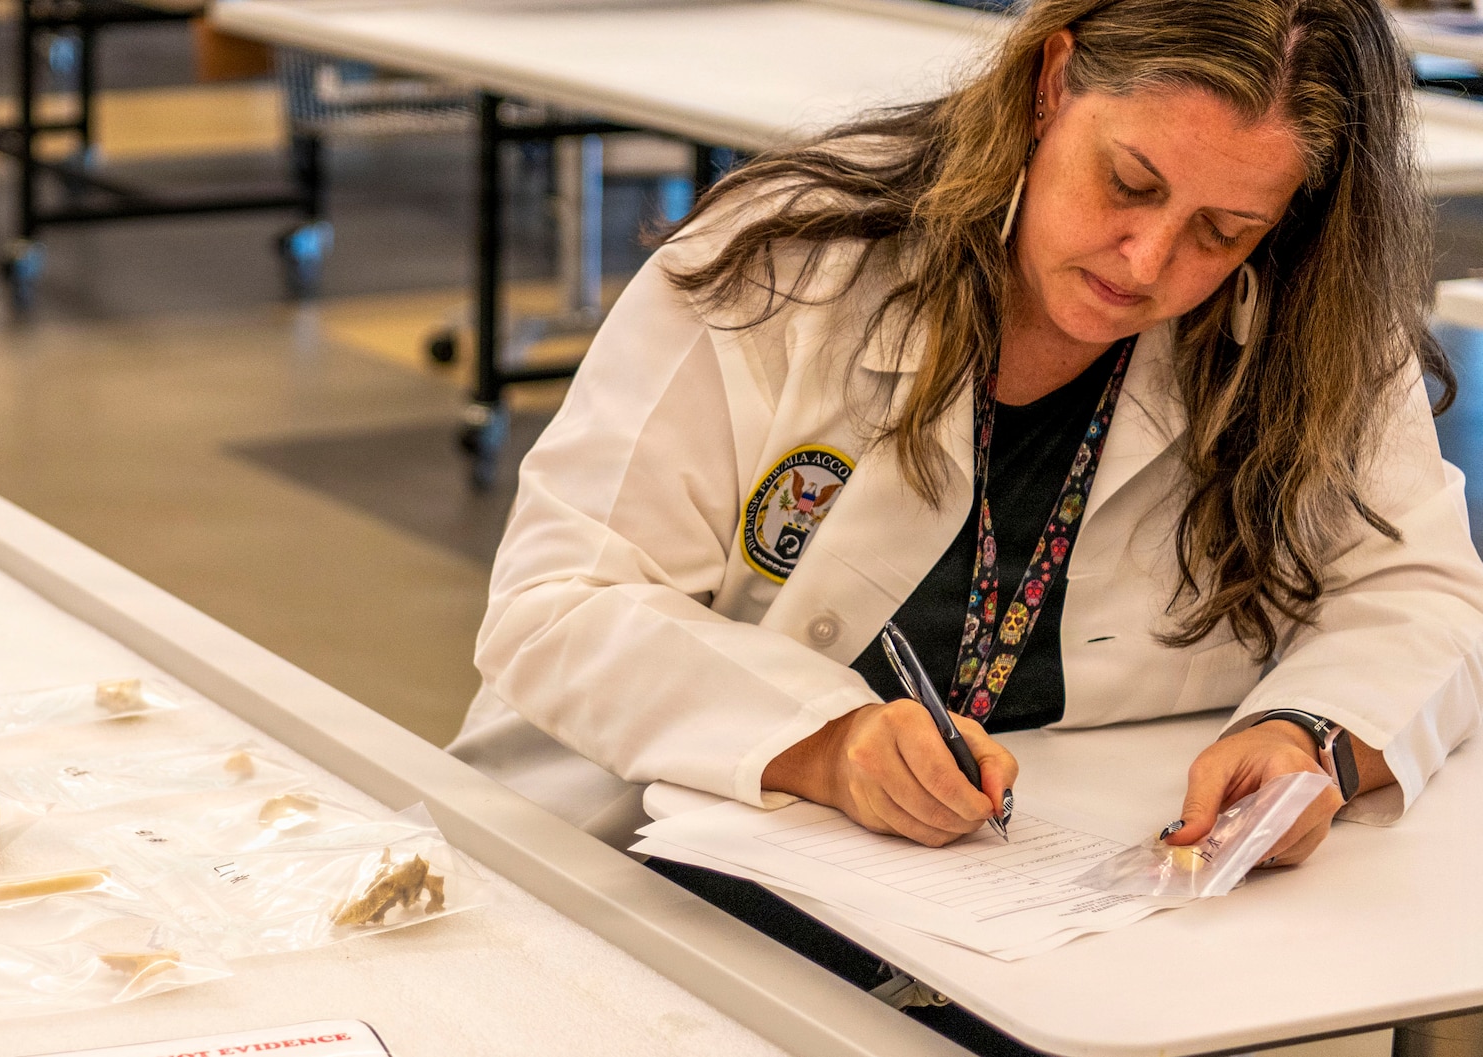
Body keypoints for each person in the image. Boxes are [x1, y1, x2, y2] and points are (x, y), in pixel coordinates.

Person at [449, 0, 1483, 879]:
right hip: (646, 866)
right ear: (1053, 81)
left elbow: (1422, 595)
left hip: (1048, 906)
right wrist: (825, 740)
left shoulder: (1314, 323)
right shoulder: (787, 265)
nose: (1148, 259)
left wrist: (1316, 735)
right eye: (1129, 181)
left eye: (1224, 230)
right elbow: (559, 607)